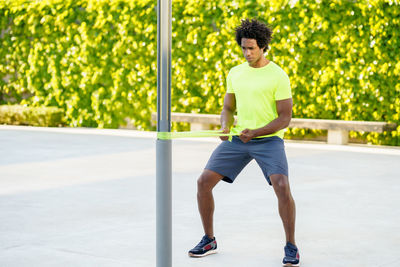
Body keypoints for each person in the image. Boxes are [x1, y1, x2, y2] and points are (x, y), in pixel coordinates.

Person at [188, 19, 300, 266]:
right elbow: (228, 107)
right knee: (203, 182)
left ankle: (291, 245)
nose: (247, 53)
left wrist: (258, 132)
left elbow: (285, 118)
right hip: (239, 138)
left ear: (263, 47)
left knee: (281, 185)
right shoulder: (235, 73)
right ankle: (209, 240)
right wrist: (225, 126)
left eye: (251, 48)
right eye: (243, 48)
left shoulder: (278, 75)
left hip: (268, 139)